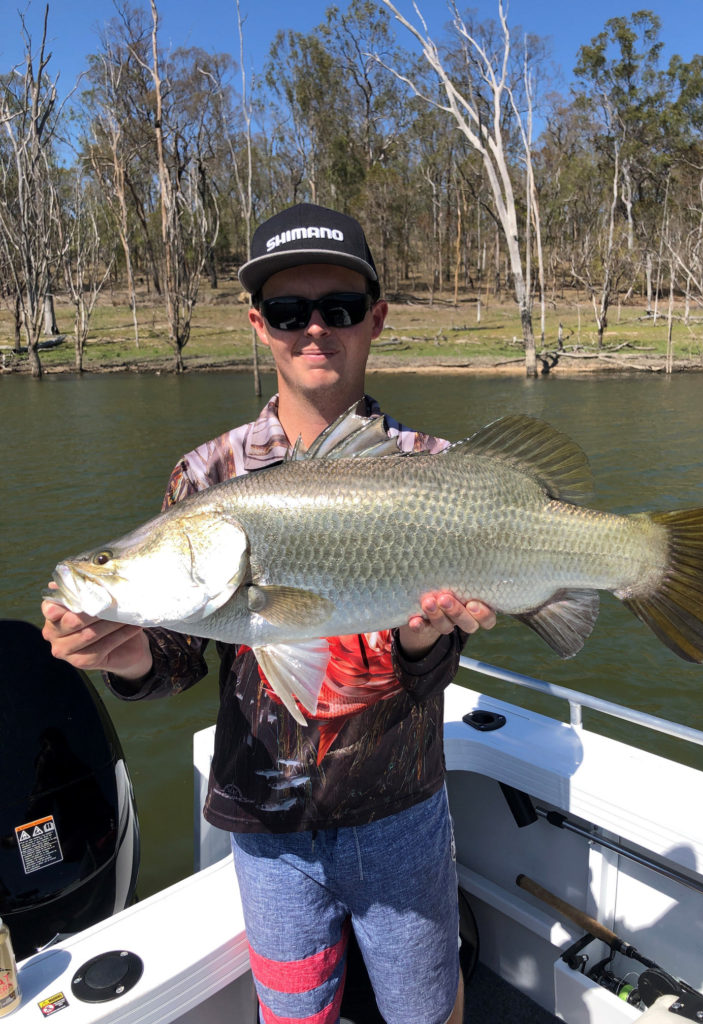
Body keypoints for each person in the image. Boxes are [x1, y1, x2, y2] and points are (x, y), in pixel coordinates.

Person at [41, 202, 496, 1024]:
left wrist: (427, 637)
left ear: (376, 320)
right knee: (294, 1013)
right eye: (289, 311)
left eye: (339, 308)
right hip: (267, 826)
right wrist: (125, 653)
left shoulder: (436, 469)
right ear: (259, 325)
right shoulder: (206, 474)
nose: (314, 330)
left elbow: (433, 669)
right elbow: (181, 652)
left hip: (402, 814)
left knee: (428, 1008)